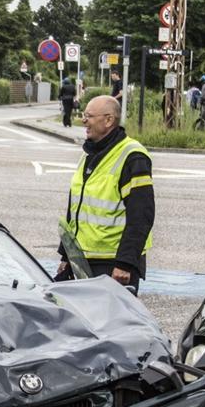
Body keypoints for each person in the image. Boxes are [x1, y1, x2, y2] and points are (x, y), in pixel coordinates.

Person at [56, 95, 154, 294]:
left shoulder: (133, 156)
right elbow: (75, 209)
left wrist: (125, 264)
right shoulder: (90, 153)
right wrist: (66, 256)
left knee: (113, 323)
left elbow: (141, 216)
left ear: (108, 120)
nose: (84, 120)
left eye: (89, 116)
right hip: (83, 261)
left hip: (113, 266)